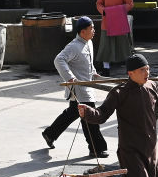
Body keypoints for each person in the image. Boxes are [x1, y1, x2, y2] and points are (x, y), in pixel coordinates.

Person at [41, 16, 109, 158]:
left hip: (87, 86)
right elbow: (59, 60)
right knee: (90, 117)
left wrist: (94, 73)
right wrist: (70, 78)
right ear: (82, 32)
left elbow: (88, 63)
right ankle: (97, 148)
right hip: (80, 89)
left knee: (72, 113)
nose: (94, 31)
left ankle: (50, 134)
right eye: (91, 28)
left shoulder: (88, 42)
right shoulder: (74, 46)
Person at [95, 0, 134, 76]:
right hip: (107, 21)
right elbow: (98, 3)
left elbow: (130, 3)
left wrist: (117, 11)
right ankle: (106, 69)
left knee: (124, 45)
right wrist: (104, 11)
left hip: (120, 21)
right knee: (105, 45)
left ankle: (129, 69)